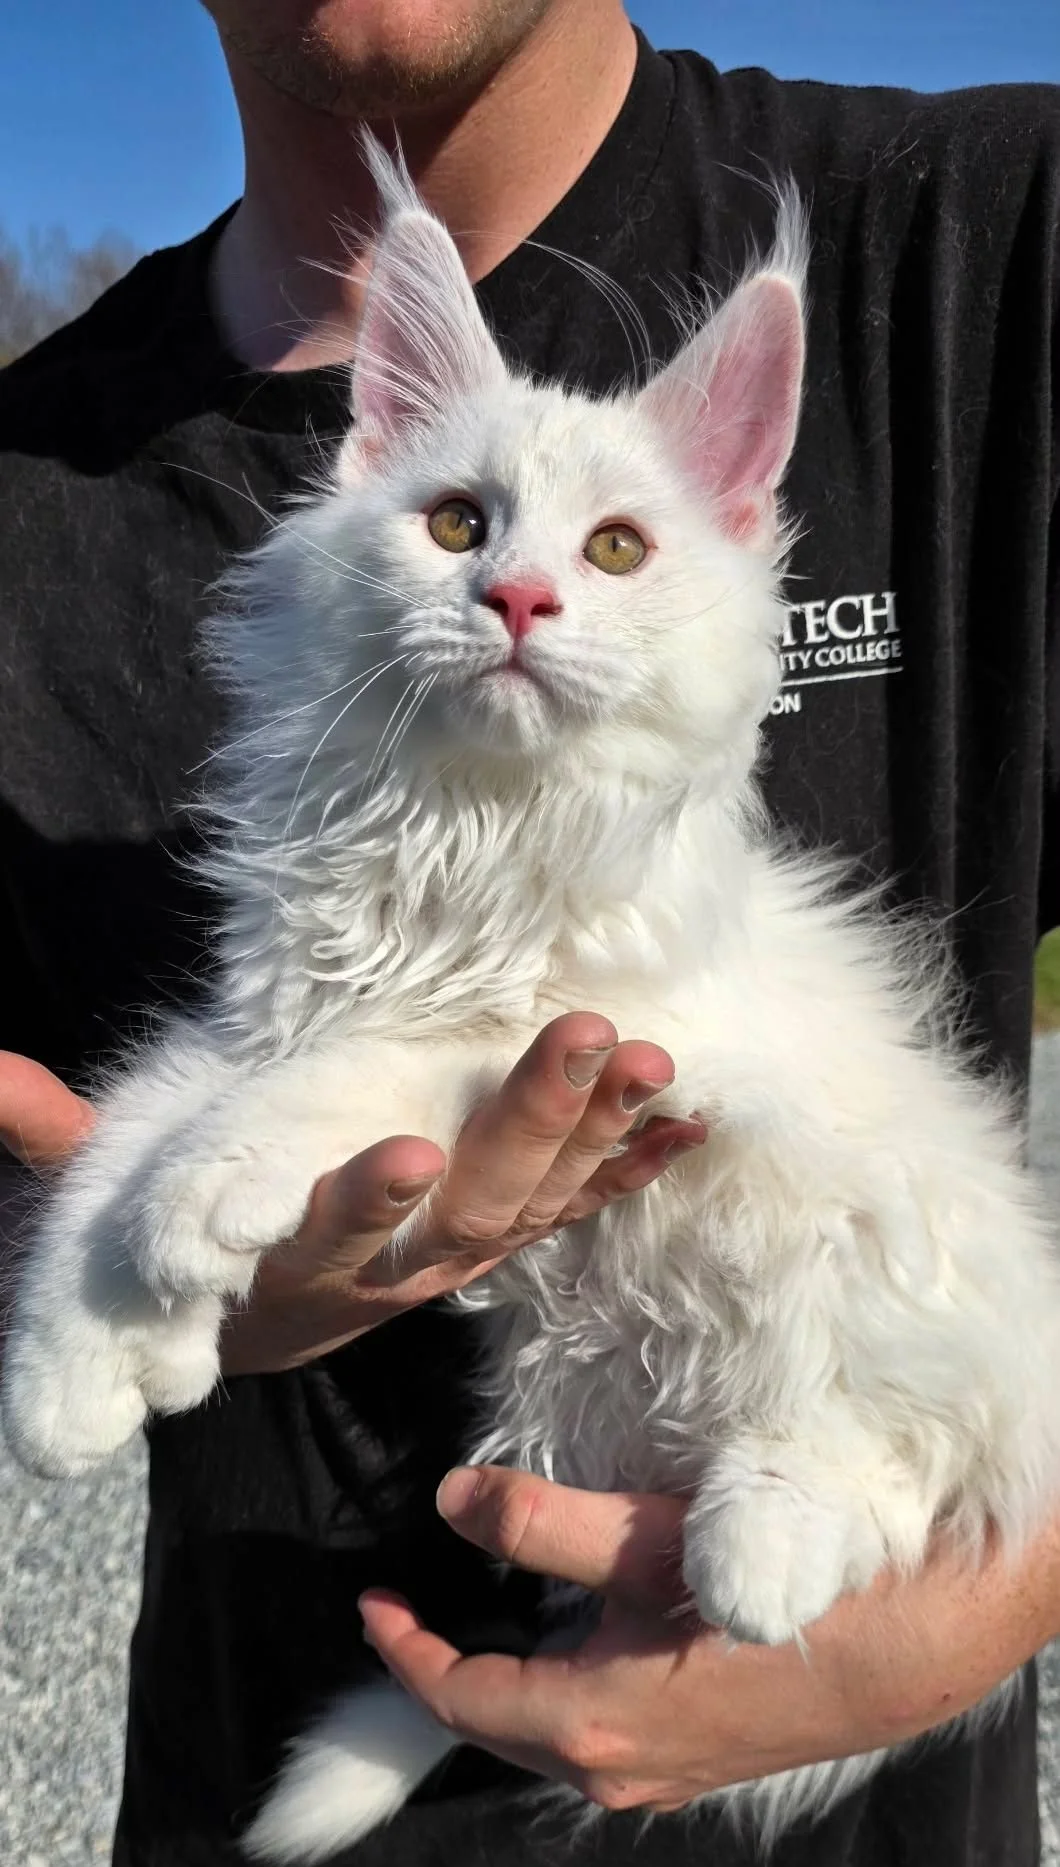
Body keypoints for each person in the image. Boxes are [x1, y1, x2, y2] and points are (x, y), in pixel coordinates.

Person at [0, 3, 1057, 1863]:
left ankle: (847, 1452)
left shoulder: (994, 229)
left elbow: (431, 1040)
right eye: (461, 515)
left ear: (742, 525)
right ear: (373, 455)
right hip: (240, 1716)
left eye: (615, 552)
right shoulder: (32, 500)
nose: (520, 586)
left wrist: (993, 1590)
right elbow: (254, 1050)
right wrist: (116, 1262)